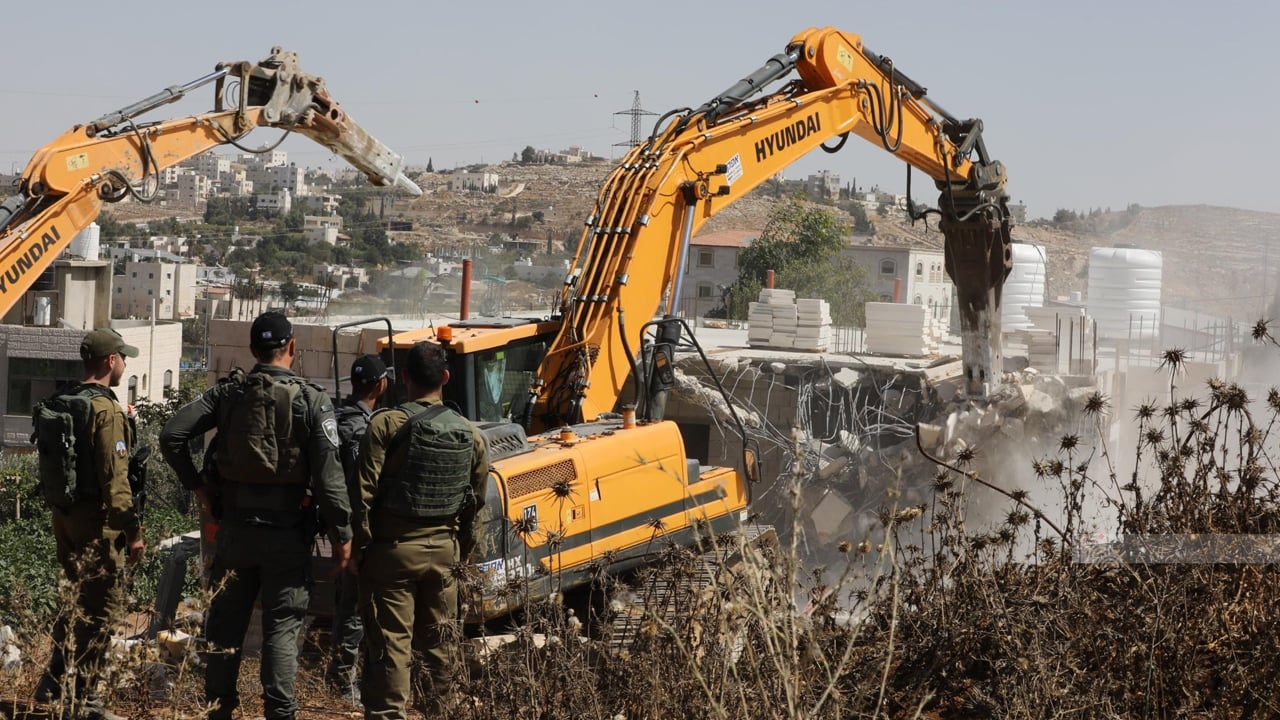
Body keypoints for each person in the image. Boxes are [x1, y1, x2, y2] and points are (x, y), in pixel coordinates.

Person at [159, 311, 352, 720]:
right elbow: (330, 478)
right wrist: (343, 536)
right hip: (287, 534)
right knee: (282, 628)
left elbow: (172, 433)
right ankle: (280, 714)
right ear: (293, 348)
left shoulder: (228, 393)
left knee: (225, 625)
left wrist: (198, 485)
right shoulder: (312, 400)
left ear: (252, 351)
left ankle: (219, 711)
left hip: (235, 532)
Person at [352, 340, 488, 719]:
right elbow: (475, 505)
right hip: (445, 556)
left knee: (391, 648)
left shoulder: (385, 424)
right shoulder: (471, 434)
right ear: (445, 378)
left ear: (404, 378)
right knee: (439, 650)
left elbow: (361, 494)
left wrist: (359, 549)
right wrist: (461, 553)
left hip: (392, 554)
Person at [33, 328, 144, 720]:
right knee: (100, 610)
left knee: (77, 598)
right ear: (110, 361)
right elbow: (117, 482)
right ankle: (84, 702)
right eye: (123, 358)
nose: (125, 365)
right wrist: (133, 534)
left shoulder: (64, 399)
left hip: (64, 517)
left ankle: (52, 680)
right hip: (98, 522)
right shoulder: (106, 409)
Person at [326, 354, 389, 705]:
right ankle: (342, 684)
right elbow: (362, 486)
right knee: (353, 610)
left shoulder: (337, 419)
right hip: (357, 530)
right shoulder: (363, 430)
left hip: (340, 527)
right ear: (381, 385)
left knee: (348, 606)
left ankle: (343, 678)